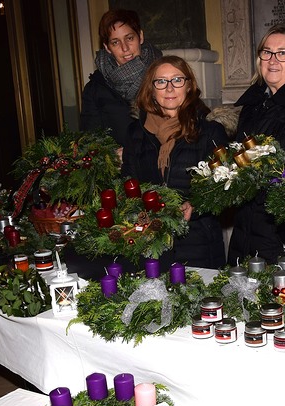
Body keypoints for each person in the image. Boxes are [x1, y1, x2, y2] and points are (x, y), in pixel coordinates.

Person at [122, 56, 228, 269]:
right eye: (161, 81)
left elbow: (224, 188)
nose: (169, 88)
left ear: (188, 86)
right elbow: (128, 183)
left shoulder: (210, 131)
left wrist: (195, 207)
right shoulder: (136, 133)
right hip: (151, 242)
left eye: (177, 80)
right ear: (151, 89)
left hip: (197, 242)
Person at [226, 25, 285, 265]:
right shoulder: (252, 105)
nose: (273, 60)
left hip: (283, 234)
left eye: (283, 53)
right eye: (267, 52)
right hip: (245, 228)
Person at [80, 9, 162, 147]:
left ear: (140, 36)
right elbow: (89, 141)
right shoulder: (95, 89)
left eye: (129, 38)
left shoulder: (164, 76)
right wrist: (112, 154)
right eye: (115, 42)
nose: (125, 48)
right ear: (107, 47)